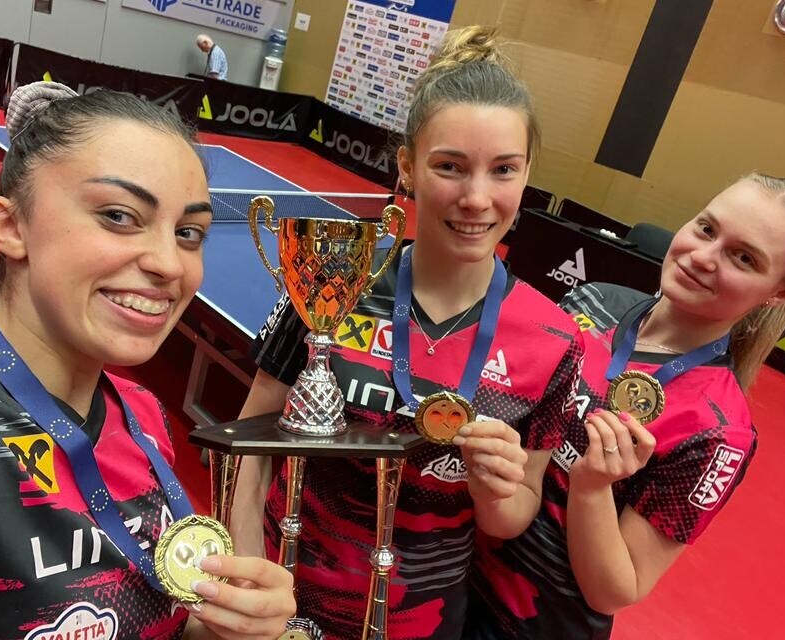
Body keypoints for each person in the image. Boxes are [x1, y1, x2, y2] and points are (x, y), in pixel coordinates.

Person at [0, 82, 295, 639]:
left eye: (188, 233)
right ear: (11, 226)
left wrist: (225, 628)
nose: (169, 264)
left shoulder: (144, 416)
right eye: (118, 216)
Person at [231, 26, 585, 640]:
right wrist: (250, 586)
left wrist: (496, 488)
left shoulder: (555, 340)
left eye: (503, 169)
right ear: (408, 167)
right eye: (450, 166)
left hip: (422, 620)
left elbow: (512, 515)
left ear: (528, 174)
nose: (477, 198)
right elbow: (250, 444)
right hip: (284, 598)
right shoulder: (332, 281)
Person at [467, 174, 785, 638]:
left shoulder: (719, 430)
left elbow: (613, 591)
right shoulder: (591, 301)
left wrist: (592, 488)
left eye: (743, 258)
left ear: (780, 292)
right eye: (706, 229)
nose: (703, 257)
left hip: (525, 626)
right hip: (445, 569)